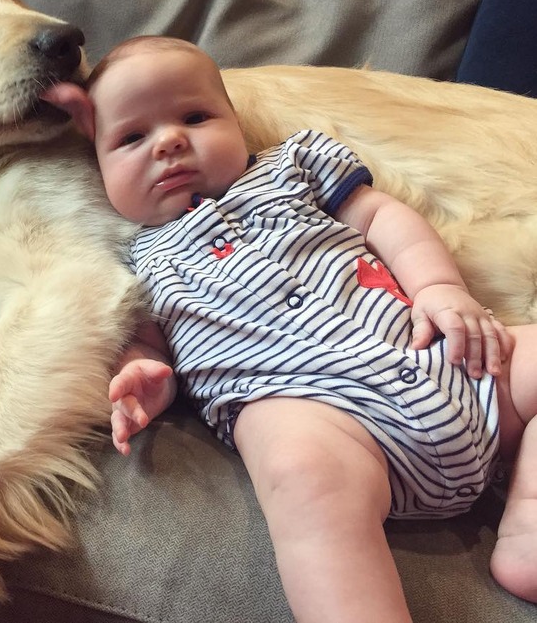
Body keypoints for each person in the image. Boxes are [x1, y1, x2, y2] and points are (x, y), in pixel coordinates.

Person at [41, 36, 537, 622]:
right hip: (324, 418)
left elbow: (382, 215)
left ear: (235, 119)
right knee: (301, 477)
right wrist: (145, 375)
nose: (170, 141)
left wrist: (439, 287)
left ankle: (528, 523)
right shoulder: (129, 257)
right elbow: (146, 341)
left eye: (195, 117)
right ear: (96, 169)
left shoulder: (292, 166)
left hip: (447, 358)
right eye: (130, 138)